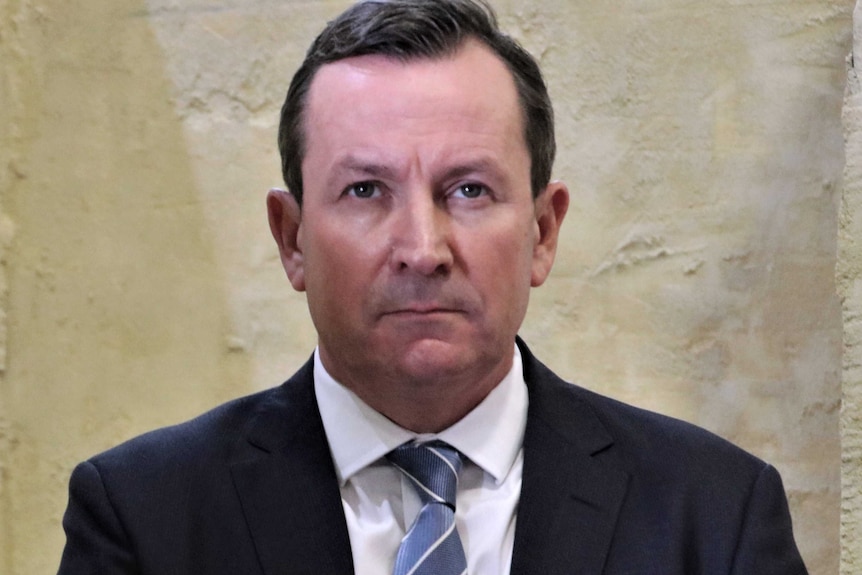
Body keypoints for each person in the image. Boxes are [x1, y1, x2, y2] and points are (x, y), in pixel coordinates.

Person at [57, 0, 809, 573]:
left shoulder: (715, 517)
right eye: (364, 191)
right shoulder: (145, 518)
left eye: (470, 190)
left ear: (543, 232)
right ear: (292, 240)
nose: (422, 249)